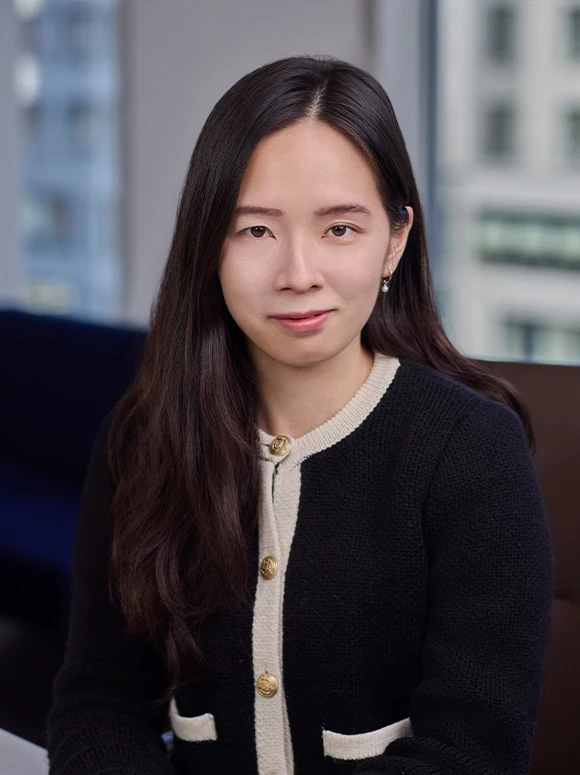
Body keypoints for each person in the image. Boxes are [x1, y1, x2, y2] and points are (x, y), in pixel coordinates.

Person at [45, 54, 554, 775]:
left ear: (396, 239)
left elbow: (470, 752)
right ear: (208, 246)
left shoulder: (471, 453)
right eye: (255, 231)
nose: (298, 273)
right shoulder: (141, 441)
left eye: (339, 229)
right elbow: (97, 702)